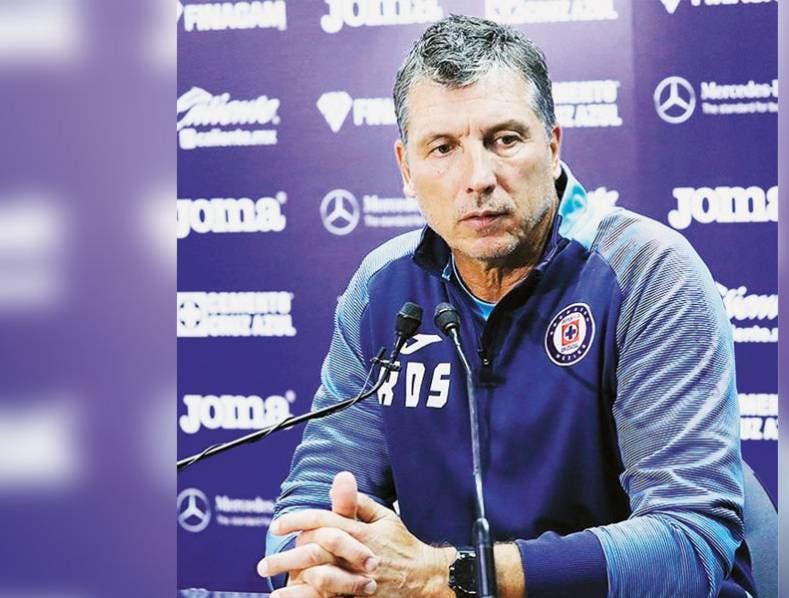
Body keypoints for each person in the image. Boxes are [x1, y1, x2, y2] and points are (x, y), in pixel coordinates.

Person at [258, 15, 754, 598]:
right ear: (406, 169)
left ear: (553, 144)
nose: (478, 177)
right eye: (443, 148)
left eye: (505, 139)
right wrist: (318, 565)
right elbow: (314, 497)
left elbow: (689, 545)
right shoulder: (382, 287)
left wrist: (451, 576)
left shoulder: (647, 271)